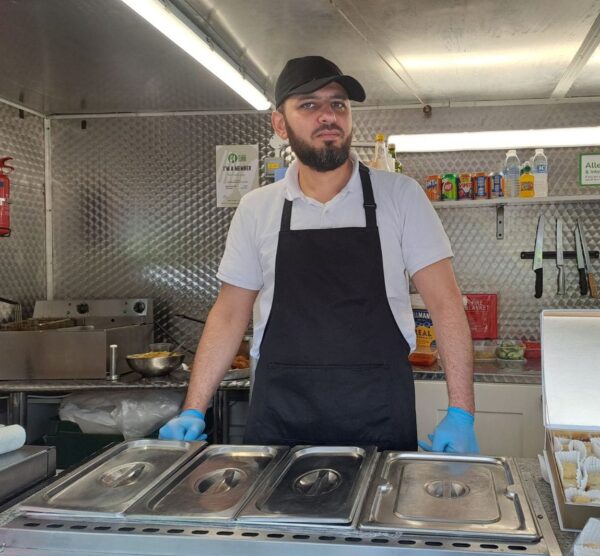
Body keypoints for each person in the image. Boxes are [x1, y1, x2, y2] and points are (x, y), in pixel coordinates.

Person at [159, 56, 478, 453]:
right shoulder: (258, 207)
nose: (327, 115)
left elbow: (446, 304)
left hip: (377, 410)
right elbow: (228, 313)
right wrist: (193, 408)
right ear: (280, 123)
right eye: (309, 105)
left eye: (338, 104)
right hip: (281, 413)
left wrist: (462, 411)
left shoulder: (401, 196)